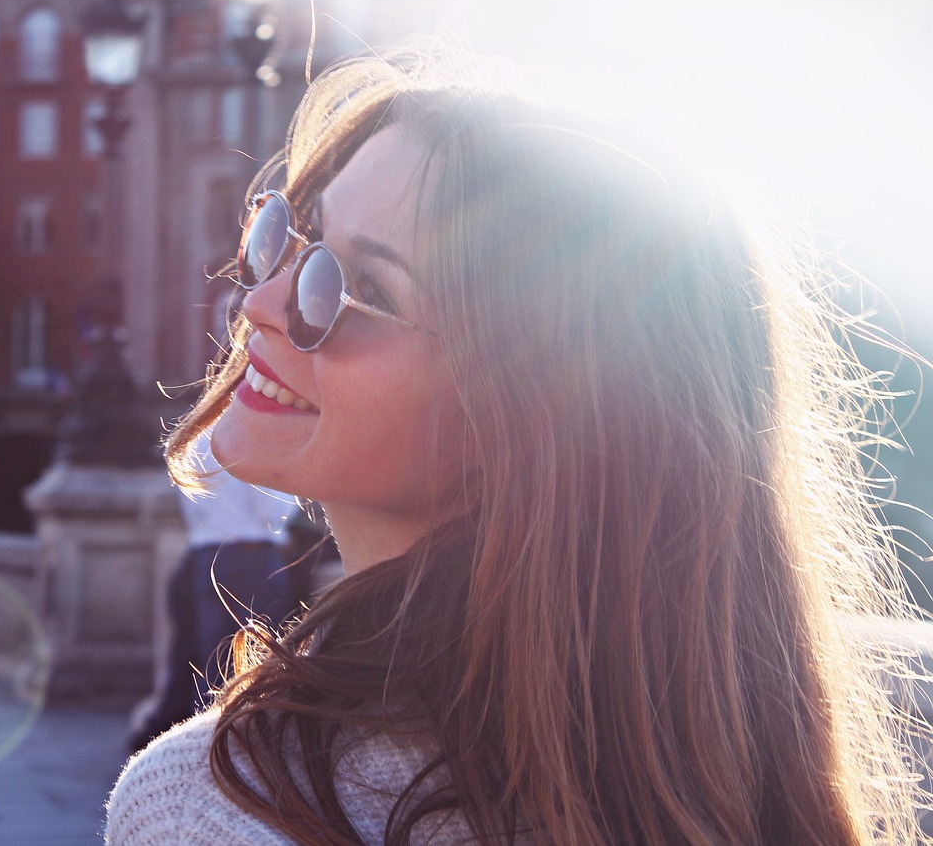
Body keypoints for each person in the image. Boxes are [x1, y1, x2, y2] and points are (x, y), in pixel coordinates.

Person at [105, 49, 928, 844]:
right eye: (295, 233)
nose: (261, 304)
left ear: (521, 416)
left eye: (355, 290)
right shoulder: (751, 777)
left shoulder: (208, 807)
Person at [128, 439, 298, 752]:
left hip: (201, 554)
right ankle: (222, 751)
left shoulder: (196, 439)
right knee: (250, 666)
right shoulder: (258, 437)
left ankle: (183, 743)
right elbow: (274, 513)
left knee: (202, 661)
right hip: (251, 559)